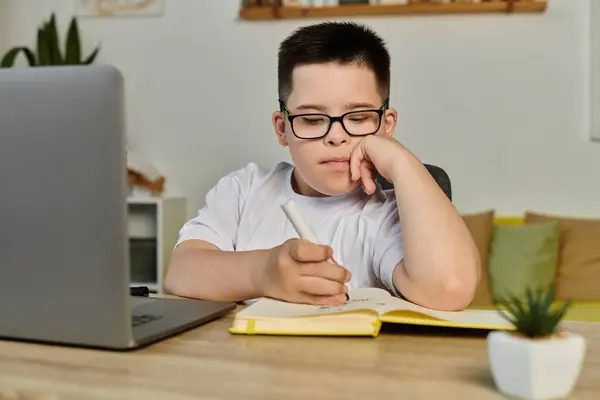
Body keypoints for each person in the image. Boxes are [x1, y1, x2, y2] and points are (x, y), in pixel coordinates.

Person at [164, 21, 480, 311]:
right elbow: (181, 272)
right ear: (281, 129)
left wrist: (402, 161)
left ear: (386, 125)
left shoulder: (387, 214)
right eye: (312, 119)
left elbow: (450, 289)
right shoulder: (243, 191)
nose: (336, 136)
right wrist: (264, 273)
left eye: (357, 118)